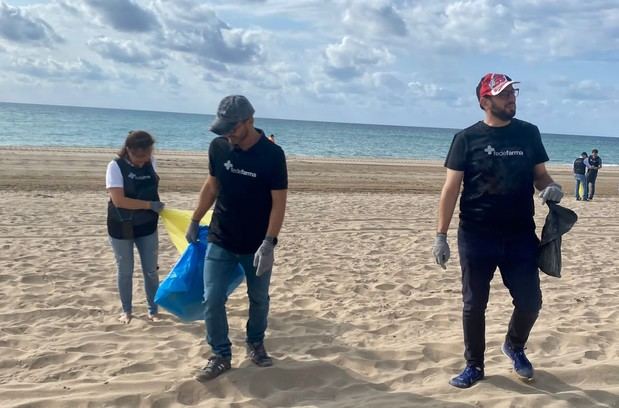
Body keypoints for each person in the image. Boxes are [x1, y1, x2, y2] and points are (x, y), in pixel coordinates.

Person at [432, 73, 564, 388]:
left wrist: (552, 188)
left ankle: (514, 345)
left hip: (520, 233)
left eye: (512, 93)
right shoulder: (466, 138)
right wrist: (441, 235)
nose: (511, 99)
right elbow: (450, 189)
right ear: (484, 101)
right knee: (474, 304)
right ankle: (474, 365)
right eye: (502, 94)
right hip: (476, 234)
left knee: (531, 301)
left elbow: (541, 176)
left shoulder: (528, 134)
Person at [186, 95, 288, 381]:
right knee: (213, 298)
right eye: (223, 128)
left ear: (249, 121)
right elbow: (212, 185)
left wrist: (269, 242)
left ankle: (255, 342)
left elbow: (279, 202)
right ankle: (220, 354)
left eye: (232, 128)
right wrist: (195, 218)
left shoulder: (272, 155)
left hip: (257, 242)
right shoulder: (218, 147)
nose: (227, 134)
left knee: (258, 299)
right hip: (221, 237)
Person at [106, 130, 165, 324]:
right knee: (125, 270)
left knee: (150, 270)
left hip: (147, 225)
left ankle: (153, 309)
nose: (142, 161)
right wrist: (149, 205)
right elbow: (119, 200)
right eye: (137, 157)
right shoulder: (115, 166)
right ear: (128, 150)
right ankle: (127, 310)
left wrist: (155, 206)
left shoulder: (151, 163)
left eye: (146, 156)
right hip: (121, 225)